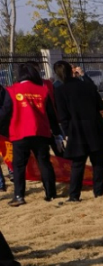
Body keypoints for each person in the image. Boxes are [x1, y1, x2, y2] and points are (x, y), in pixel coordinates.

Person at [52, 60, 103, 202]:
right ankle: (98, 192)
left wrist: (67, 133)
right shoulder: (87, 85)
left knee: (77, 164)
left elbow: (63, 116)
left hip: (76, 129)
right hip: (95, 126)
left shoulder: (59, 90)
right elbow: (100, 104)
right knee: (98, 162)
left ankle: (74, 195)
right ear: (72, 70)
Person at [6, 63, 58, 207]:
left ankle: (19, 195)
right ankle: (51, 193)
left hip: (19, 132)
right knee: (44, 163)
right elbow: (51, 114)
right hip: (41, 132)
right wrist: (57, 132)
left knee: (19, 166)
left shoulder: (12, 91)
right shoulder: (43, 91)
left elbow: (5, 112)